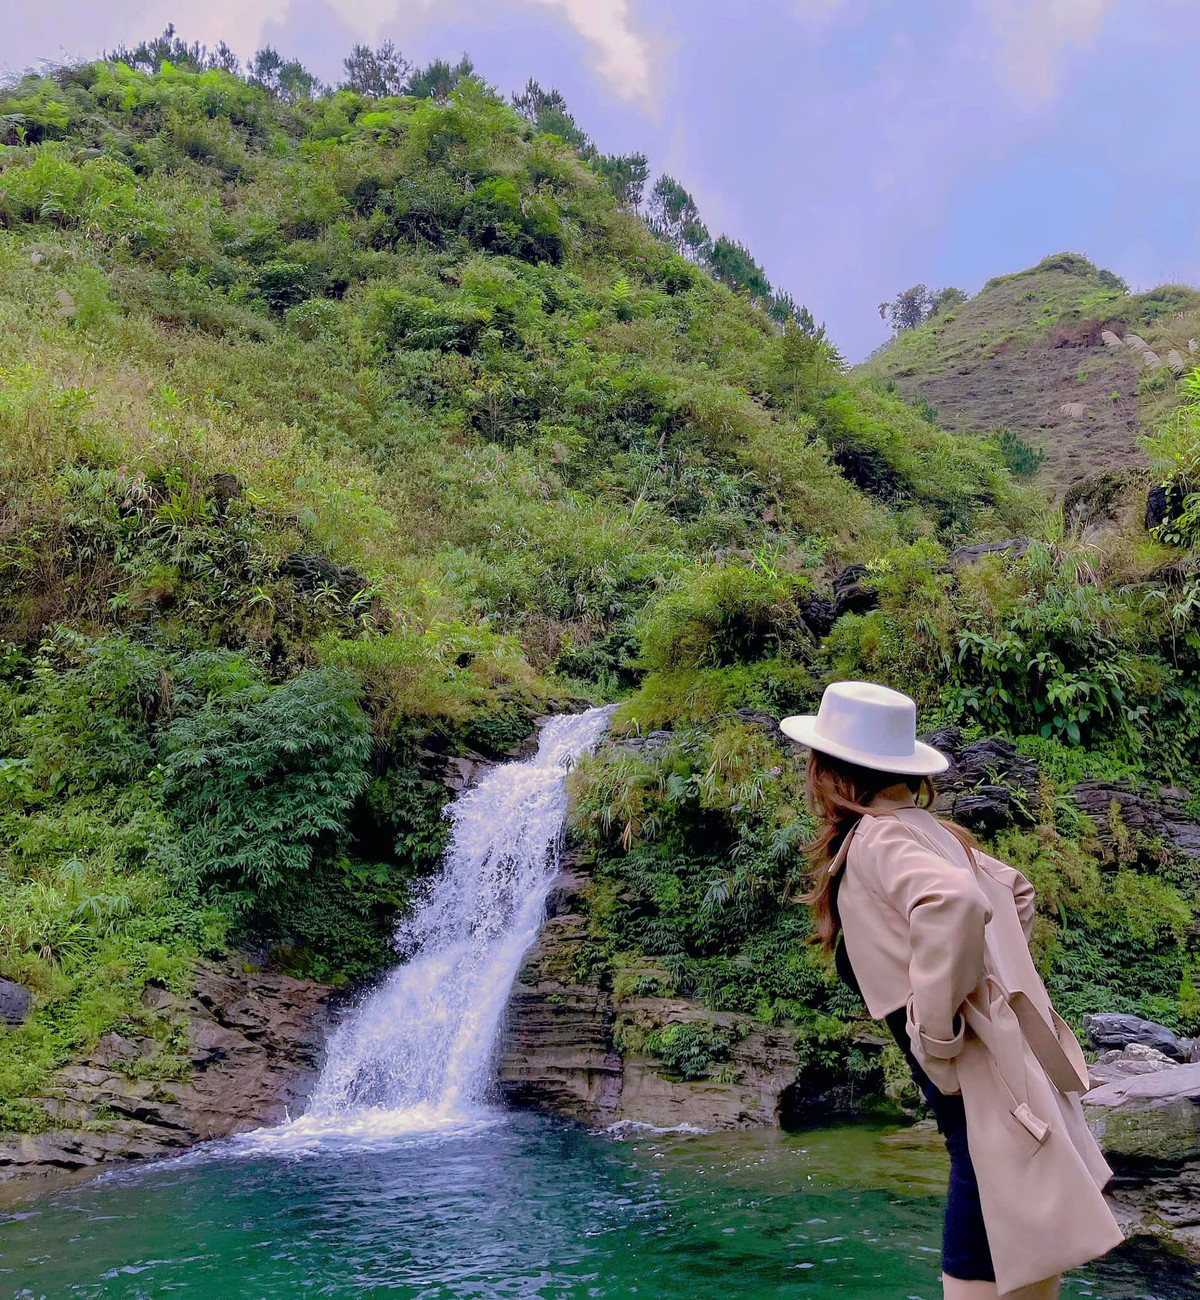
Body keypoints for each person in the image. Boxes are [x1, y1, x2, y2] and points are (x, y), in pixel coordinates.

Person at [781, 681, 1124, 1300]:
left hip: (980, 1099)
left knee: (983, 1252)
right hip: (1007, 1082)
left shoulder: (879, 839)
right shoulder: (933, 832)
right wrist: (994, 986)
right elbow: (1014, 892)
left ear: (829, 770)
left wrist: (938, 1030)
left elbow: (958, 902)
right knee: (1026, 1252)